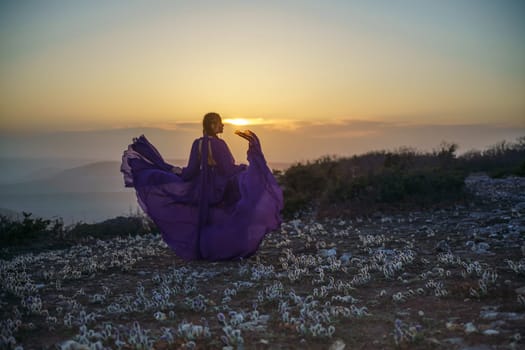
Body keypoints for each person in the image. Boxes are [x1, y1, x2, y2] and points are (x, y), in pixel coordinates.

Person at [120, 112, 283, 261]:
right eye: (220, 123)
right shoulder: (220, 144)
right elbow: (227, 169)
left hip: (202, 188)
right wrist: (244, 169)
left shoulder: (197, 144)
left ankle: (207, 251)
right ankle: (226, 248)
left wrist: (175, 172)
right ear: (212, 125)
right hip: (220, 187)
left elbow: (191, 171)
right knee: (232, 212)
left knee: (208, 220)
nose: (223, 126)